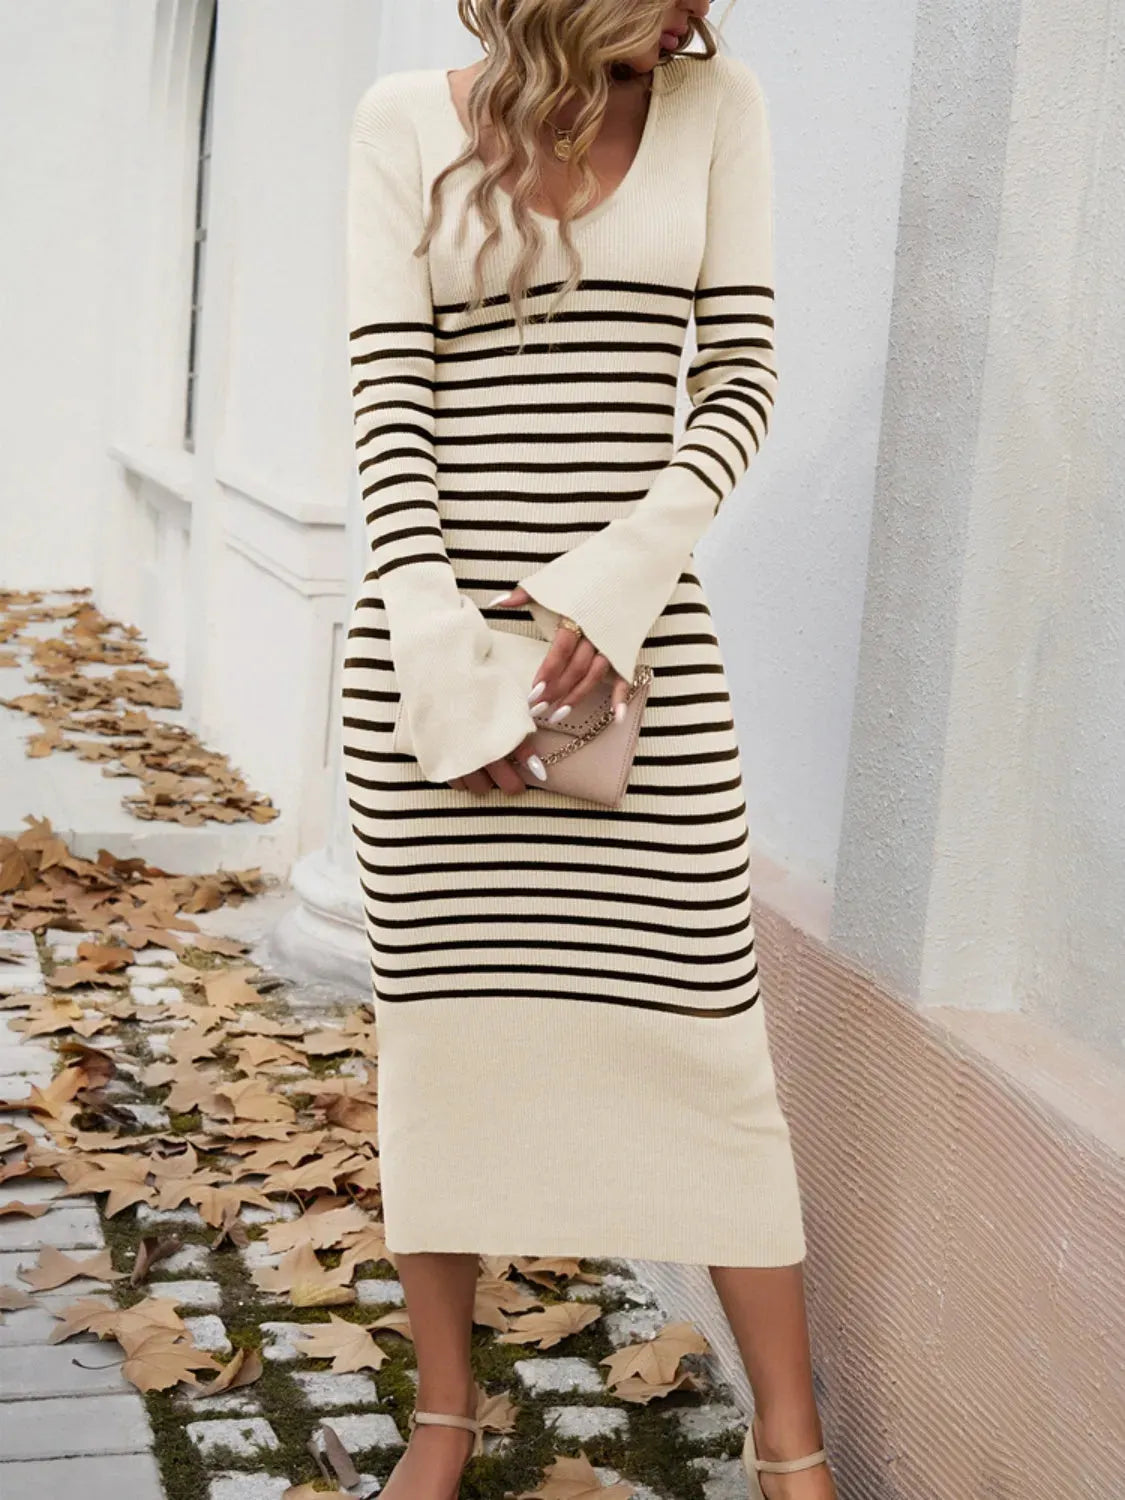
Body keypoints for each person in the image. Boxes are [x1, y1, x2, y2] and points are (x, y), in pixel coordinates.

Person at [340, 2, 836, 1496]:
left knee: (707, 1038)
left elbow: (739, 380)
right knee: (445, 1050)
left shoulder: (717, 108)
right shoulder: (400, 123)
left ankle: (792, 1449)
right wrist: (440, 659)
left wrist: (614, 588)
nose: (694, 13)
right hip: (432, 656)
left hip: (641, 658)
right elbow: (388, 405)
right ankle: (445, 1419)